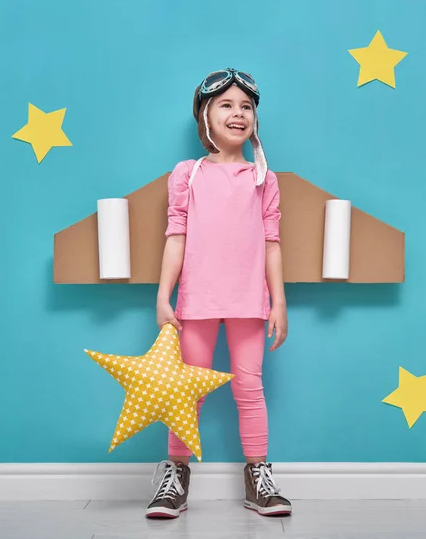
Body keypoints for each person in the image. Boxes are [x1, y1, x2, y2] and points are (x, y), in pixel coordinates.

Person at [145, 68, 291, 520]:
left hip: (249, 301)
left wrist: (279, 301)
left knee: (249, 387)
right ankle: (175, 477)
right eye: (226, 105)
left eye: (246, 106)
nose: (238, 113)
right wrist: (162, 295)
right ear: (205, 117)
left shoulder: (262, 178)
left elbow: (271, 242)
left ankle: (259, 476)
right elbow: (176, 236)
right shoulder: (187, 175)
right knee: (187, 392)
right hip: (196, 301)